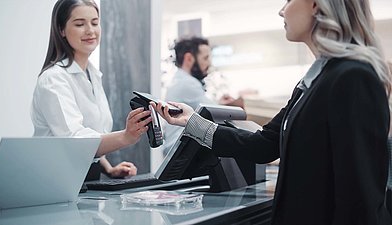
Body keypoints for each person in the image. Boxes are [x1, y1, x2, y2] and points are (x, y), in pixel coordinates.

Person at [153, 0, 392, 224]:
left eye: (289, 0)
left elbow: (358, 199)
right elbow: (263, 145)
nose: (282, 11)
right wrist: (192, 122)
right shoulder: (314, 82)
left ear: (317, 4)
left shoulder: (353, 78)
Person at [31, 0, 151, 179]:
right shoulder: (53, 79)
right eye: (80, 24)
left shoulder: (92, 74)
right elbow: (75, 140)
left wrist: (108, 169)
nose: (90, 30)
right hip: (53, 179)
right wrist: (126, 136)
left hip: (84, 177)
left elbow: (91, 133)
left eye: (95, 22)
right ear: (61, 30)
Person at [163, 37, 243, 154]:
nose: (209, 63)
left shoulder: (181, 80)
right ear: (189, 58)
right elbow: (213, 114)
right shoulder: (187, 83)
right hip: (181, 152)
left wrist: (219, 104)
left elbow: (205, 108)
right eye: (205, 58)